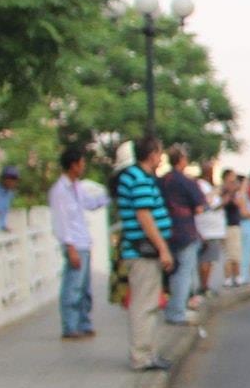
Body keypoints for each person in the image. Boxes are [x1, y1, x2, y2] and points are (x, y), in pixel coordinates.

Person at [115, 137, 174, 371]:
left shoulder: (134, 177)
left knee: (148, 303)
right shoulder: (138, 179)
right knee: (144, 305)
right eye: (159, 153)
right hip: (142, 251)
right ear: (151, 154)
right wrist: (163, 248)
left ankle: (148, 352)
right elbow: (145, 216)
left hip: (139, 250)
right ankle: (142, 355)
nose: (161, 158)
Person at [48, 144, 107, 339]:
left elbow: (89, 204)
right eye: (81, 163)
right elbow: (61, 222)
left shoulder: (77, 188)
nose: (83, 167)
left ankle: (83, 323)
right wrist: (70, 246)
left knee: (84, 288)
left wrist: (108, 197)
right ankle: (70, 326)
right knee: (73, 286)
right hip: (74, 243)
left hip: (84, 241)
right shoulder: (59, 191)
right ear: (73, 165)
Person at [159, 146, 205, 326]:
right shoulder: (187, 182)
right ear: (182, 160)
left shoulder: (162, 181)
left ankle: (172, 307)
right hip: (185, 230)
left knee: (170, 272)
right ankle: (177, 311)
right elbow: (200, 207)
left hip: (164, 230)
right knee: (183, 272)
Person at [194, 162, 226, 296]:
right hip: (207, 229)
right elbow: (209, 204)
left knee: (207, 259)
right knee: (206, 259)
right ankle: (204, 286)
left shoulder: (205, 186)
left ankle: (204, 285)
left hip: (209, 228)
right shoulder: (203, 186)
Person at [219, 170, 244, 287]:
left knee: (235, 253)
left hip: (234, 224)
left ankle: (236, 276)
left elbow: (240, 204)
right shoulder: (223, 192)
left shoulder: (235, 193)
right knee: (230, 254)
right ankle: (230, 277)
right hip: (229, 225)